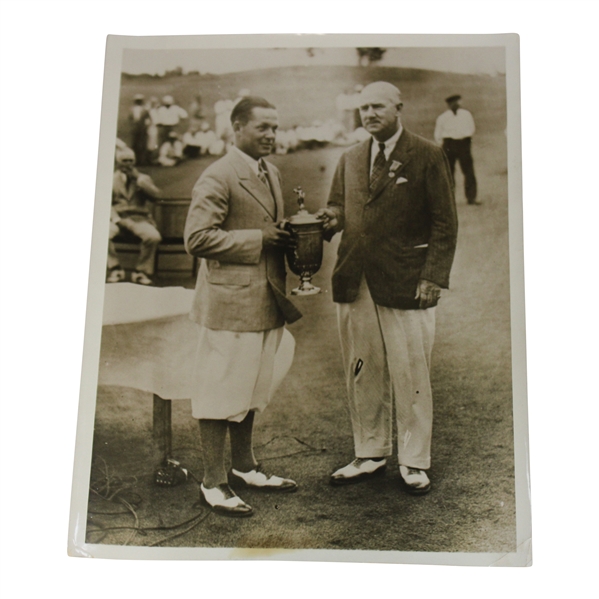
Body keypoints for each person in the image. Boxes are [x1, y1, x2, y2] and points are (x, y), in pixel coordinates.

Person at [317, 81, 458, 495]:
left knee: (411, 371)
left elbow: (445, 223)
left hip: (407, 281)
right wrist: (325, 220)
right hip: (355, 278)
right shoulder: (350, 157)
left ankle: (414, 461)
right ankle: (369, 452)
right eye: (363, 108)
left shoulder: (428, 154)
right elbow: (339, 208)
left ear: (399, 108)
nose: (369, 114)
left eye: (378, 106)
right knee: (362, 370)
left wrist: (432, 276)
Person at [184, 96, 302, 517]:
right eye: (262, 128)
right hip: (229, 304)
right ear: (237, 128)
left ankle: (244, 466)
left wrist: (290, 239)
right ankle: (212, 482)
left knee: (251, 389)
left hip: (265, 299)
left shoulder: (270, 171)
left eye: (275, 127)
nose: (271, 135)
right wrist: (260, 238)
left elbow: (268, 229)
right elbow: (197, 239)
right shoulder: (218, 175)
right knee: (220, 392)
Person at [107, 147, 162, 285]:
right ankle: (115, 268)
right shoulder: (110, 179)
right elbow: (106, 203)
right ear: (118, 163)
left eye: (131, 160)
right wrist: (116, 219)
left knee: (153, 236)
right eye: (124, 160)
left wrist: (140, 181)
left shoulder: (143, 179)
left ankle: (141, 272)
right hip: (118, 219)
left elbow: (156, 196)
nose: (128, 164)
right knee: (101, 233)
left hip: (139, 219)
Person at [434, 94, 479, 205]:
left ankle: (471, 198)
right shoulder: (443, 117)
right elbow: (438, 134)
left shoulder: (466, 114)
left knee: (468, 171)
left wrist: (465, 140)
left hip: (463, 144)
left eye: (457, 102)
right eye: (453, 103)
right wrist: (444, 145)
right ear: (449, 105)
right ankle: (448, 199)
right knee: (448, 172)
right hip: (449, 144)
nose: (456, 105)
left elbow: (471, 128)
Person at [128, 94, 150, 165]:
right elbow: (130, 119)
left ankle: (142, 160)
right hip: (135, 129)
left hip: (142, 129)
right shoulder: (132, 109)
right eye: (137, 101)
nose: (138, 102)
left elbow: (147, 119)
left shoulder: (145, 109)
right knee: (135, 144)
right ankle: (135, 160)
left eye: (139, 101)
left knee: (142, 145)